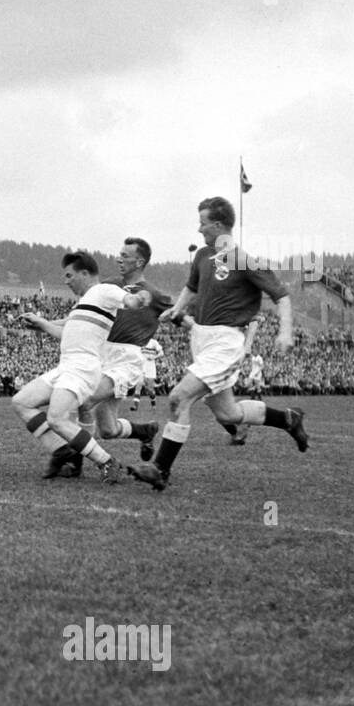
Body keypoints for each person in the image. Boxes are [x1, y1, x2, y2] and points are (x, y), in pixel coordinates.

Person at [129, 197, 309, 491]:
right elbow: (191, 287)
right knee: (228, 414)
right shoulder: (202, 255)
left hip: (226, 342)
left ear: (218, 224)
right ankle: (288, 418)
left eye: (203, 223)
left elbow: (282, 296)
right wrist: (178, 309)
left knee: (178, 398)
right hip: (200, 338)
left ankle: (160, 470)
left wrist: (285, 332)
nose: (199, 229)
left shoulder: (243, 259)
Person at [11, 250, 152, 483]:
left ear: (85, 273)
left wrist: (140, 298)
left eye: (69, 275)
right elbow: (65, 332)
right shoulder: (82, 305)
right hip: (66, 366)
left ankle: (107, 462)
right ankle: (61, 450)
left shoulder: (103, 290)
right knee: (21, 402)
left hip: (83, 367)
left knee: (56, 418)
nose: (66, 281)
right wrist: (40, 324)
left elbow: (130, 300)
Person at [45, 238, 167, 478]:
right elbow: (78, 318)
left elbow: (178, 311)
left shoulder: (154, 294)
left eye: (125, 255)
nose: (118, 258)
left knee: (84, 401)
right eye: (119, 254)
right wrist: (44, 324)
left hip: (125, 361)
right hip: (102, 355)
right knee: (108, 429)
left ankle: (75, 463)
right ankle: (145, 431)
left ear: (140, 261)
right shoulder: (108, 286)